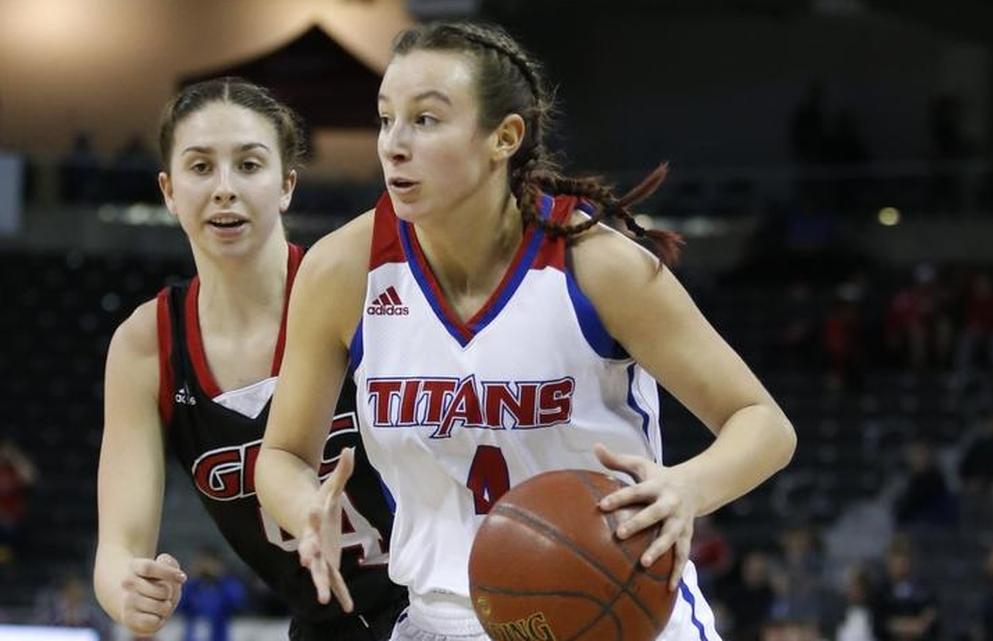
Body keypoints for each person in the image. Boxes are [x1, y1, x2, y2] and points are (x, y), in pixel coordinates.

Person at [256, 21, 797, 641]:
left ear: (504, 137)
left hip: (619, 612)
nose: (393, 145)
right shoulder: (342, 270)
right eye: (385, 119)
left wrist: (685, 488)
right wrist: (302, 506)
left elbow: (763, 422)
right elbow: (282, 455)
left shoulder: (598, 265)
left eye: (426, 120)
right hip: (443, 620)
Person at [93, 77, 405, 640]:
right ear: (167, 190)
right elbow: (118, 548)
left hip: (442, 607)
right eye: (200, 167)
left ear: (287, 184)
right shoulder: (146, 344)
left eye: (249, 165)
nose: (224, 189)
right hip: (324, 627)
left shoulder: (358, 292)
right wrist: (128, 590)